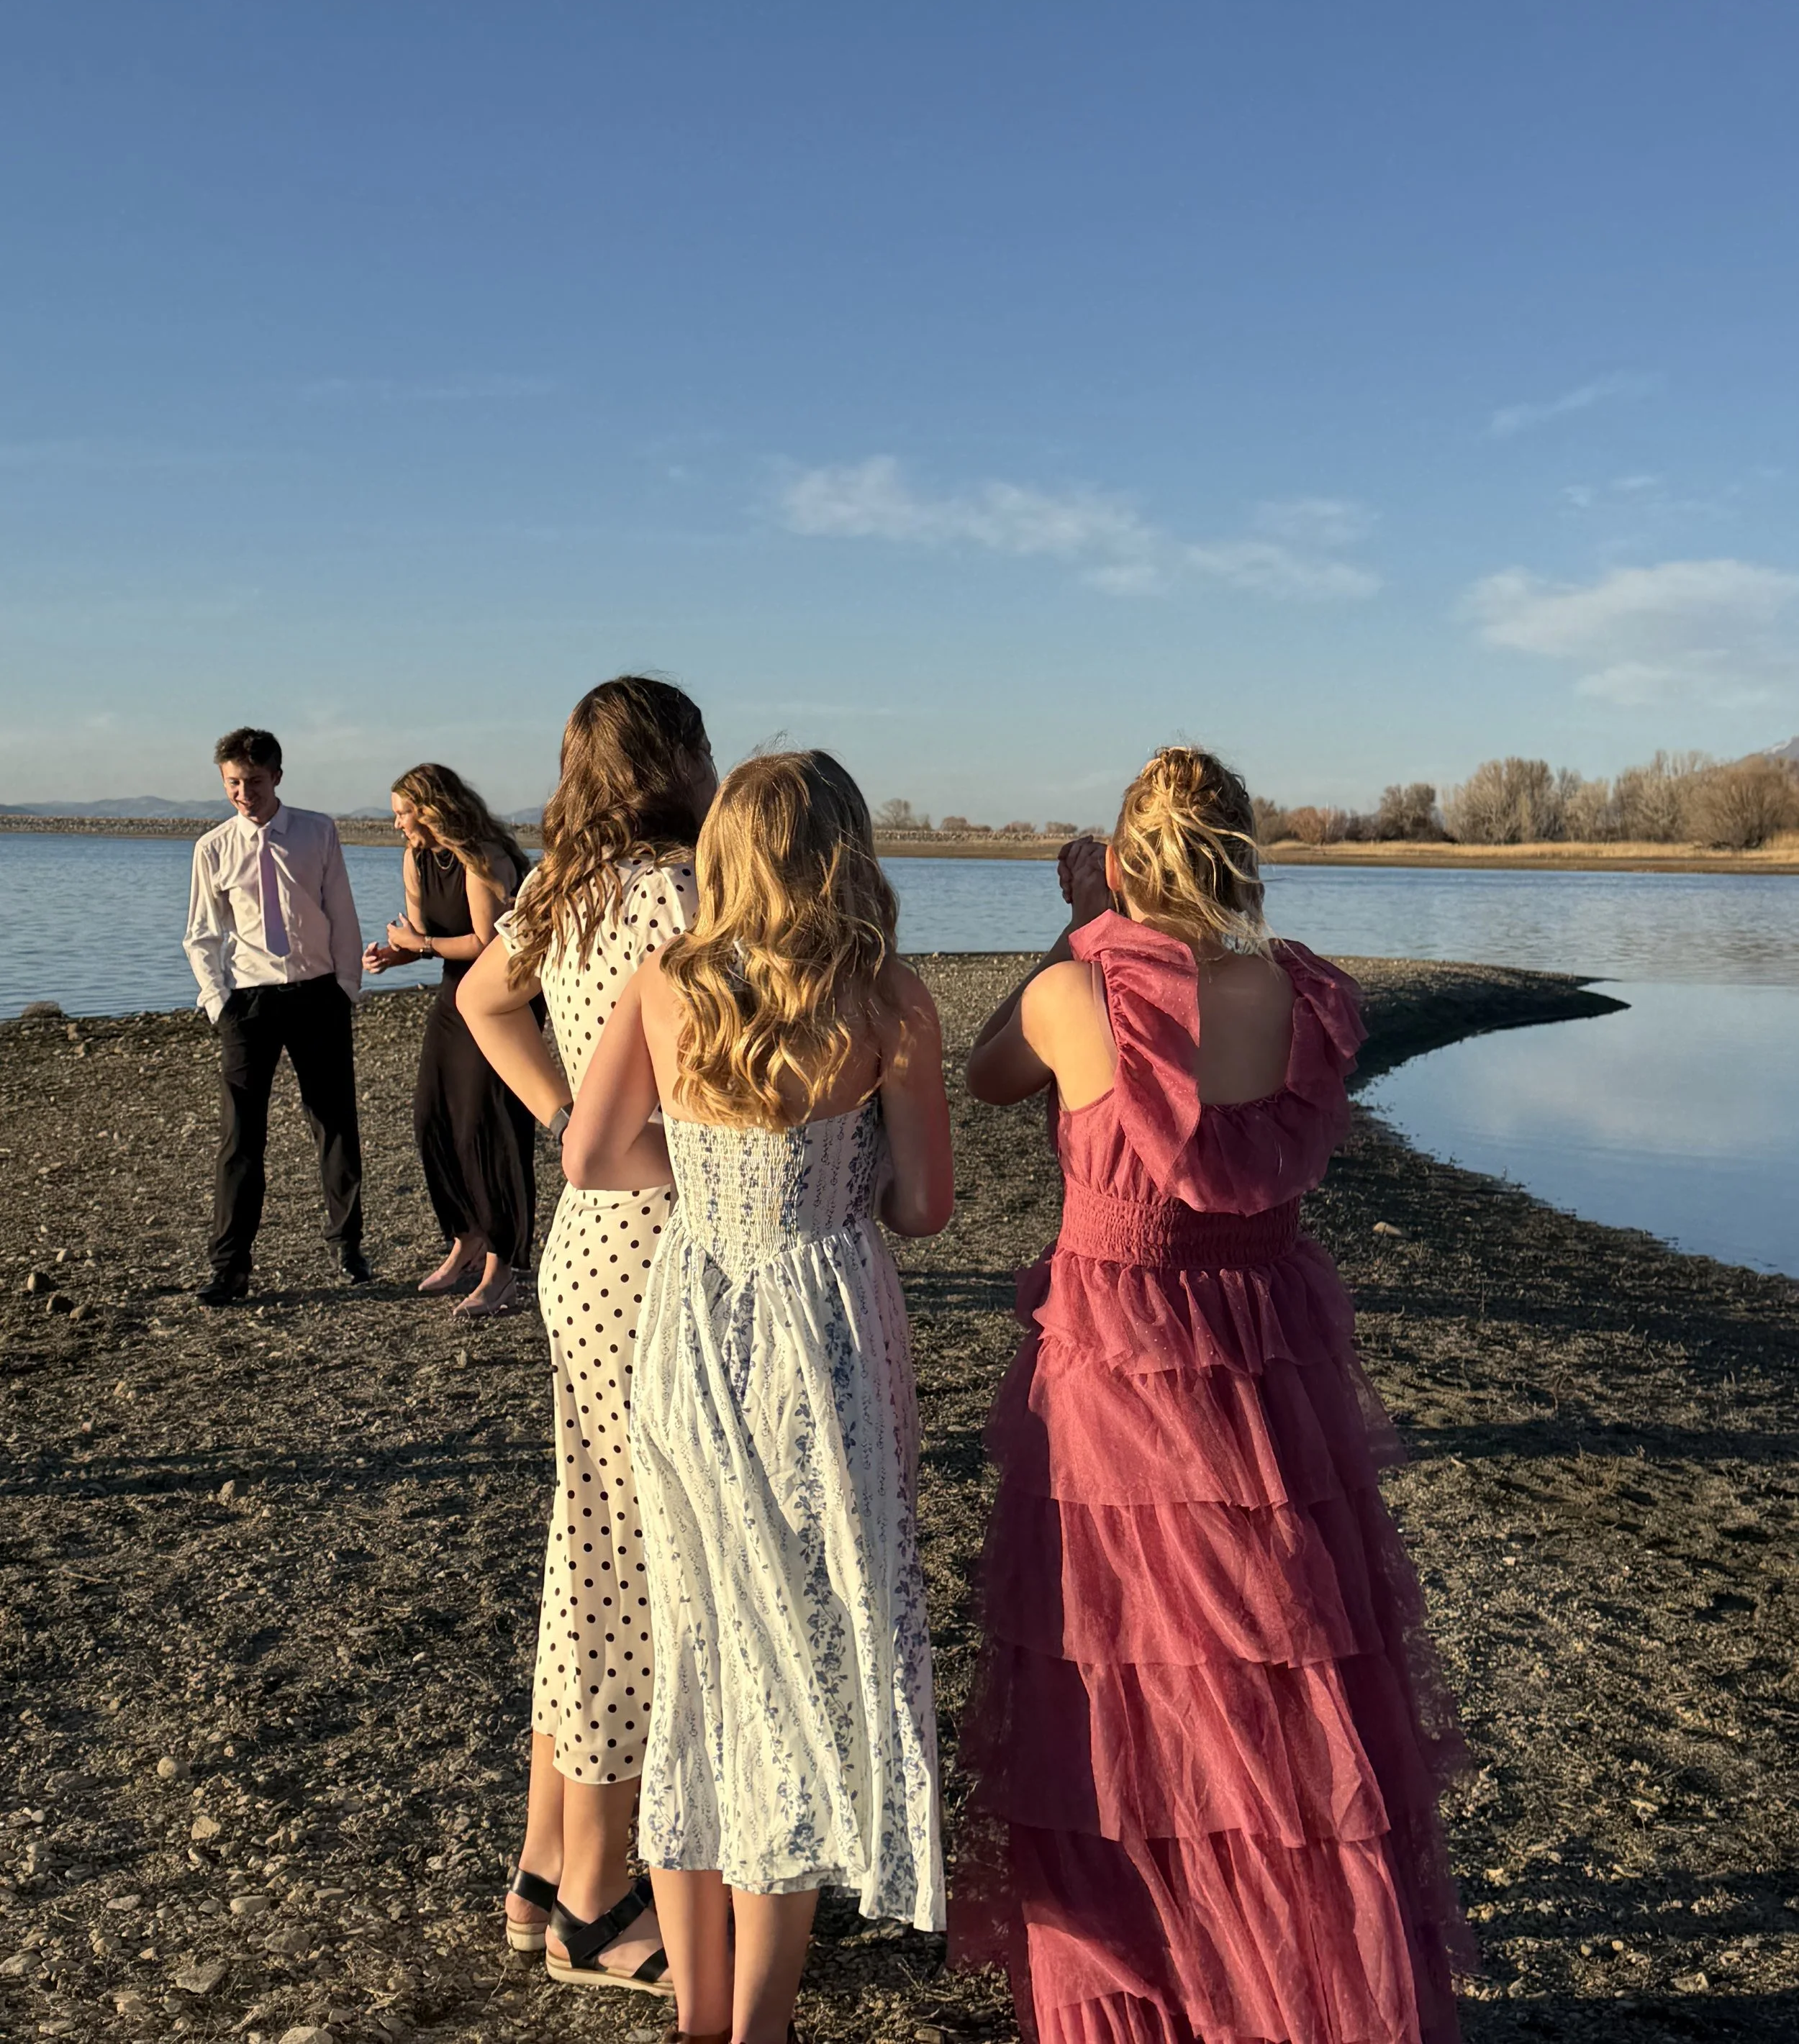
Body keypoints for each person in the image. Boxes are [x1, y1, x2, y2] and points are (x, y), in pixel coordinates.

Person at [951, 748, 1470, 2044]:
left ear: (1124, 860)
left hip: (1122, 1354)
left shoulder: (1083, 988)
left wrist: (1085, 923)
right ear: (1242, 856)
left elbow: (989, 1070)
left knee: (1128, 1666)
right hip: (1266, 1344)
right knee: (1278, 1662)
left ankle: (1158, 1974)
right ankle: (1299, 1973)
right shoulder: (1305, 995)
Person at [563, 749, 952, 2044]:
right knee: (796, 1668)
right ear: (848, 850)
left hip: (692, 1330)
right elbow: (926, 1204)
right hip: (823, 1338)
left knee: (699, 1659)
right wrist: (830, 1190)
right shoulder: (888, 998)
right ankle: (766, 2018)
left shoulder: (666, 985)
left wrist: (706, 1176)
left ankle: (699, 2007)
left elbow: (593, 1153)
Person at [456, 678, 713, 1999]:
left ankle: (542, 1866)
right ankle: (600, 1904)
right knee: (638, 1570)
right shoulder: (683, 893)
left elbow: (479, 1007)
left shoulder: (557, 886)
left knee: (589, 1541)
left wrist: (568, 1119)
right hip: (666, 1241)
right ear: (683, 759)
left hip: (584, 1247)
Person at [183, 726, 368, 1307]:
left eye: (254, 782)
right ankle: (230, 1266)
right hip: (250, 1003)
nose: (244, 793)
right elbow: (202, 934)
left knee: (334, 1121)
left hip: (317, 995)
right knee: (240, 1136)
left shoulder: (318, 831)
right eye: (234, 783)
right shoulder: (212, 848)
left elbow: (340, 909)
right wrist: (219, 1003)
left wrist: (345, 987)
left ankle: (348, 1245)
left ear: (277, 777)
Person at [362, 764, 539, 1317]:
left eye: (403, 813)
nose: (396, 825)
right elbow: (425, 938)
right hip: (453, 996)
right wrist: (400, 952)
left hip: (502, 997)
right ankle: (466, 1238)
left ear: (433, 808)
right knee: (432, 1116)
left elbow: (488, 942)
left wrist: (423, 943)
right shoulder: (417, 858)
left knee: (490, 1125)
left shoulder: (482, 857)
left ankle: (502, 1269)